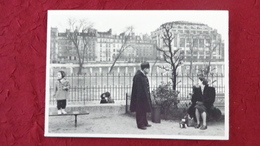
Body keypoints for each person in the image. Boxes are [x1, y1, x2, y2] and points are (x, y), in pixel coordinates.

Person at [130, 62, 152, 130]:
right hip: (140, 98)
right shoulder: (138, 76)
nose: (149, 70)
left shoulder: (142, 75)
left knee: (144, 110)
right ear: (145, 69)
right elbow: (139, 89)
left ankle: (145, 122)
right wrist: (140, 99)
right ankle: (140, 124)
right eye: (148, 69)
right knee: (140, 110)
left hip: (143, 96)